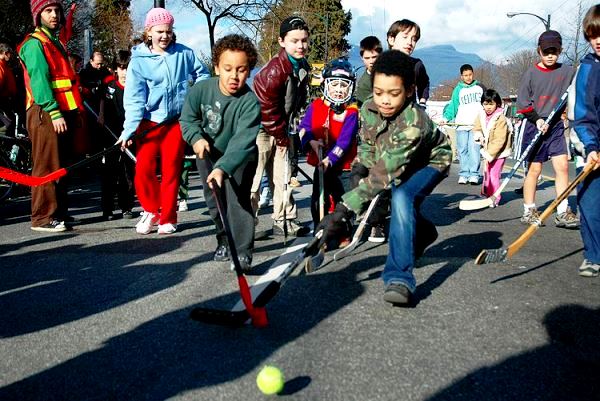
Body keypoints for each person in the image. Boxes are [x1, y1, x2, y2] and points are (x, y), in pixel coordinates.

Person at [318, 50, 452, 306]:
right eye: (379, 92)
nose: (385, 101)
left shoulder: (414, 123)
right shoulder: (368, 107)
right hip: (395, 159)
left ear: (410, 90)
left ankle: (399, 278)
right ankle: (423, 232)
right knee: (393, 199)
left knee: (402, 196)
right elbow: (369, 148)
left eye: (394, 93)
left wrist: (344, 209)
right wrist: (360, 169)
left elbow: (386, 171)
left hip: (430, 161)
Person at [117, 7, 210, 235]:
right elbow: (134, 98)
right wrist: (129, 130)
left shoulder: (184, 54)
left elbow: (203, 75)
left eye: (168, 31)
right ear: (149, 31)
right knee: (143, 169)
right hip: (149, 122)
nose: (165, 36)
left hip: (175, 122)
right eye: (159, 31)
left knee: (171, 170)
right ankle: (151, 210)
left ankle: (168, 217)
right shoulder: (138, 60)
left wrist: (192, 101)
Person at [180, 34, 261, 272]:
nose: (234, 76)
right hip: (208, 155)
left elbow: (242, 142)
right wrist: (195, 138)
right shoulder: (200, 90)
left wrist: (223, 168)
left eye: (241, 70)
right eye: (227, 69)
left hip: (239, 159)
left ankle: (243, 252)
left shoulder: (249, 103)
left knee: (238, 202)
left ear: (249, 71)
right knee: (214, 203)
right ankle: (223, 239)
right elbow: (188, 118)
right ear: (216, 67)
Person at [19, 0, 84, 232]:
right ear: (38, 15)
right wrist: (54, 111)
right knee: (46, 165)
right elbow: (39, 81)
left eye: (57, 10)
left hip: (60, 110)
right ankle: (43, 218)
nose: (54, 15)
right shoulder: (34, 44)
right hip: (45, 111)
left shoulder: (53, 41)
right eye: (48, 11)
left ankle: (58, 213)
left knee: (61, 165)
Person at [251, 16, 311, 237]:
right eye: (294, 40)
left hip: (282, 127)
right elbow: (266, 107)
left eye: (304, 40)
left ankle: (284, 219)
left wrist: (292, 129)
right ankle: (246, 223)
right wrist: (281, 137)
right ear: (281, 41)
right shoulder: (275, 69)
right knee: (255, 178)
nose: (301, 45)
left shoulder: (303, 66)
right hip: (259, 129)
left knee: (283, 176)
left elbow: (298, 101)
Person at [516, 30, 578, 228]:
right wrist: (537, 120)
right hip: (535, 126)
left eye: (554, 51)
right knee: (534, 169)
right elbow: (523, 104)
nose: (550, 55)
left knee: (563, 166)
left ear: (560, 50)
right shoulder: (531, 74)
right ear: (539, 51)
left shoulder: (568, 72)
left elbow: (576, 91)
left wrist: (566, 111)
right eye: (546, 51)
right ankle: (529, 209)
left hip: (556, 127)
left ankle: (562, 210)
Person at [298, 57, 359, 230]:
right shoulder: (316, 105)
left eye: (344, 85)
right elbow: (304, 127)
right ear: (325, 84)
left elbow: (344, 141)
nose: (339, 89)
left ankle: (343, 231)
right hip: (321, 164)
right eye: (335, 84)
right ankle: (319, 228)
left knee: (344, 201)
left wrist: (330, 159)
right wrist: (310, 141)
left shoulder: (351, 112)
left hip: (343, 167)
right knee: (319, 198)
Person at [572, 4, 600, 277]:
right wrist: (591, 146)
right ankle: (593, 254)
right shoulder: (588, 69)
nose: (598, 41)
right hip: (592, 151)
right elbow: (582, 115)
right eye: (593, 36)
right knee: (589, 204)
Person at [98, 50, 135, 221]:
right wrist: (101, 114)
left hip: (129, 137)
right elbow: (102, 103)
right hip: (111, 136)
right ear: (115, 69)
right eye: (121, 68)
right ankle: (107, 209)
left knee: (128, 173)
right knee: (109, 172)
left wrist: (131, 134)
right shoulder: (109, 87)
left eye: (127, 68)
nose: (124, 72)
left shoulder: (136, 88)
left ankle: (127, 207)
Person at [443, 64, 486, 185]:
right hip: (461, 124)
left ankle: (474, 174)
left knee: (474, 149)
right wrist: (446, 118)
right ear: (461, 76)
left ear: (473, 74)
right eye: (465, 75)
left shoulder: (480, 87)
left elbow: (488, 102)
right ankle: (464, 174)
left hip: (475, 125)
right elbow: (453, 105)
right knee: (462, 150)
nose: (468, 77)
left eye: (470, 75)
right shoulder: (458, 90)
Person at [472, 89, 512, 206]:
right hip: (488, 149)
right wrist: (479, 135)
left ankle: (495, 198)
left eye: (491, 104)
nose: (488, 107)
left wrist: (489, 154)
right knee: (487, 173)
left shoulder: (501, 119)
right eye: (486, 104)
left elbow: (499, 140)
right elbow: (477, 127)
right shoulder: (481, 115)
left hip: (499, 152)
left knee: (494, 174)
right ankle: (486, 193)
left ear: (497, 104)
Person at [387, 19, 430, 105]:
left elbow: (424, 83)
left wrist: (422, 102)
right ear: (391, 39)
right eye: (405, 37)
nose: (410, 42)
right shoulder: (379, 65)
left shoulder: (416, 65)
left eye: (414, 39)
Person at [355, 36, 382, 107]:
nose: (371, 61)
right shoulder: (363, 85)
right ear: (362, 59)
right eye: (367, 58)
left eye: (374, 57)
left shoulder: (393, 72)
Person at [0, 43, 17, 134]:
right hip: (3, 100)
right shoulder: (0, 66)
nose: (9, 56)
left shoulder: (4, 65)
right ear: (3, 53)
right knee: (9, 123)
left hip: (8, 100)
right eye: (8, 53)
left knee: (11, 123)